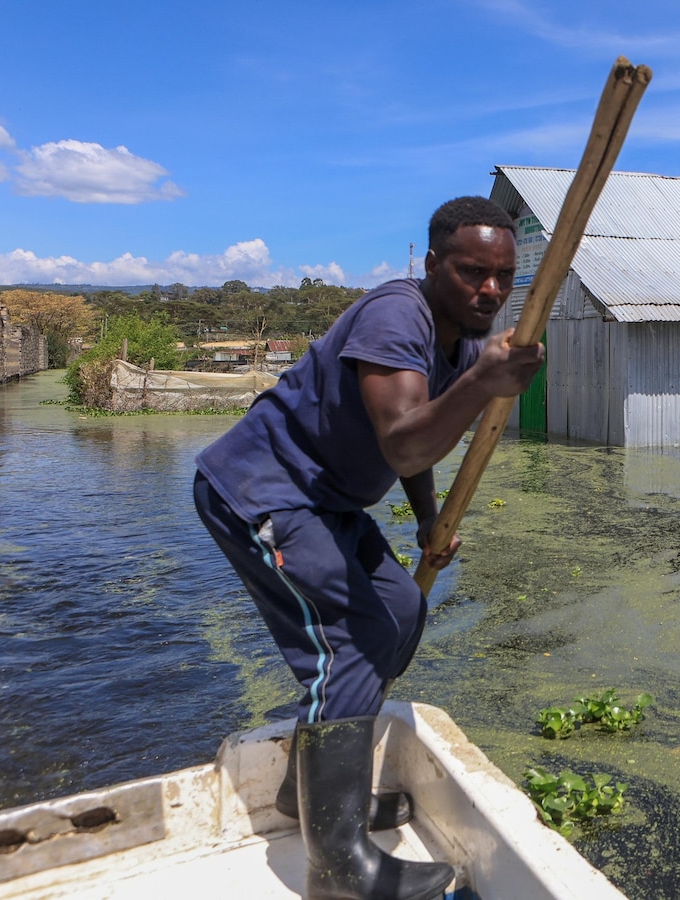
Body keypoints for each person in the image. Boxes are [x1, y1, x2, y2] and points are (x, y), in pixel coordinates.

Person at [193, 196, 543, 900]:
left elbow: (417, 456)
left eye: (504, 276)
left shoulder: (462, 345)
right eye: (474, 272)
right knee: (349, 645)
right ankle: (339, 863)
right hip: (261, 492)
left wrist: (428, 519)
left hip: (328, 502)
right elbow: (404, 438)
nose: (492, 291)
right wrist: (481, 382)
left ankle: (312, 796)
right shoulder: (397, 315)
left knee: (401, 615)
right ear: (434, 263)